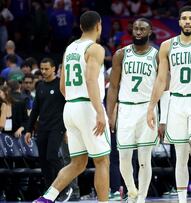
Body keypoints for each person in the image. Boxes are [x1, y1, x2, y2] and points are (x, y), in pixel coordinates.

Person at [32, 10, 110, 203]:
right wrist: (99, 112)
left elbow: (62, 86)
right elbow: (91, 80)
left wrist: (75, 103)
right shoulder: (95, 49)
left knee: (78, 163)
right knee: (102, 161)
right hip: (88, 106)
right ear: (99, 25)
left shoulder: (70, 49)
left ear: (81, 27)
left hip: (70, 107)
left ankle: (46, 198)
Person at [146, 5, 191, 203]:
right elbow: (161, 81)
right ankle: (181, 199)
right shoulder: (167, 46)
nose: (187, 21)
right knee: (180, 155)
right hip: (176, 101)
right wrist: (151, 107)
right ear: (179, 22)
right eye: (184, 18)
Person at [106, 18, 162, 203]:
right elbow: (113, 87)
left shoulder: (157, 55)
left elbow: (164, 86)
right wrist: (110, 113)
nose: (138, 32)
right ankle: (131, 190)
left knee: (144, 158)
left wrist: (162, 117)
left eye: (142, 29)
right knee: (123, 157)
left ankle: (141, 198)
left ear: (150, 31)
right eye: (136, 29)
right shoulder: (121, 54)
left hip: (147, 108)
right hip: (126, 109)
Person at [24, 58, 67, 193]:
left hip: (57, 126)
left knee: (52, 156)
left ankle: (65, 186)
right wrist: (28, 130)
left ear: (54, 69)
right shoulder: (40, 86)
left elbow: (68, 106)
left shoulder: (61, 84)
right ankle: (50, 191)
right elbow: (35, 110)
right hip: (42, 127)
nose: (43, 71)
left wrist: (67, 128)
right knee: (43, 160)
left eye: (46, 69)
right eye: (41, 69)